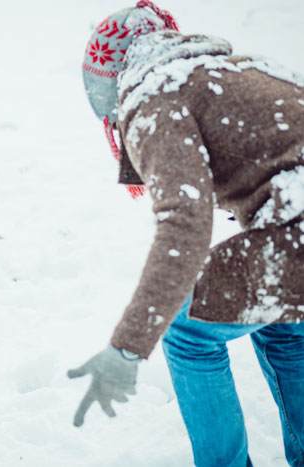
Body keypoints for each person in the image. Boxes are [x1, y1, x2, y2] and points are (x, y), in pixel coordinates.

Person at [68, 1, 304, 466]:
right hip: (292, 231)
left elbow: (185, 224)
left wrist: (127, 348)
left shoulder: (154, 98)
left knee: (189, 331)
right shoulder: (242, 69)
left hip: (294, 233)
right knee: (282, 325)